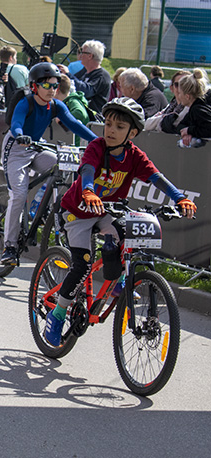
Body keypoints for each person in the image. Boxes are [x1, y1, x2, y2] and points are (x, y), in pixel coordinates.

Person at [43, 97, 197, 346]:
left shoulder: (135, 156)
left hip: (106, 210)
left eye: (119, 127)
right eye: (109, 124)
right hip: (77, 212)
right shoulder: (97, 147)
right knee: (82, 266)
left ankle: (118, 281)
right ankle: (57, 313)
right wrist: (89, 191)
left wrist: (179, 198)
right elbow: (87, 171)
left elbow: (157, 178)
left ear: (132, 133)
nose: (111, 130)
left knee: (125, 235)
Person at [0, 62, 97, 266]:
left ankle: (41, 211)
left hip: (36, 146)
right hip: (17, 147)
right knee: (18, 195)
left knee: (60, 167)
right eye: (47, 86)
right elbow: (16, 123)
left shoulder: (56, 105)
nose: (52, 90)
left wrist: (99, 143)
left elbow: (75, 125)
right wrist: (20, 136)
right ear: (35, 86)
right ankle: (9, 247)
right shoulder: (26, 102)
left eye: (55, 85)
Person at [57, 40, 111, 113]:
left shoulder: (102, 76)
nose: (80, 55)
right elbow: (72, 83)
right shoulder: (84, 71)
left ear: (90, 56)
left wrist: (68, 74)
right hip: (80, 113)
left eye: (82, 52)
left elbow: (87, 91)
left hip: (93, 118)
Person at [174, 68, 211, 147]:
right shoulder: (193, 109)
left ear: (187, 96)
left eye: (180, 93)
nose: (178, 96)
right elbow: (181, 125)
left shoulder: (197, 110)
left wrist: (190, 130)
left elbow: (208, 129)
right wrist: (187, 133)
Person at [145, 70, 190, 134]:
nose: (182, 88)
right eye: (178, 85)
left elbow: (175, 122)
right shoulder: (169, 107)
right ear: (171, 88)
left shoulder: (191, 108)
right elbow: (147, 124)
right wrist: (164, 120)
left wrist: (161, 120)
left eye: (186, 84)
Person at [55, 74, 91, 146]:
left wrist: (63, 118)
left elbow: (80, 113)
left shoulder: (72, 100)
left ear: (57, 89)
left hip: (75, 146)